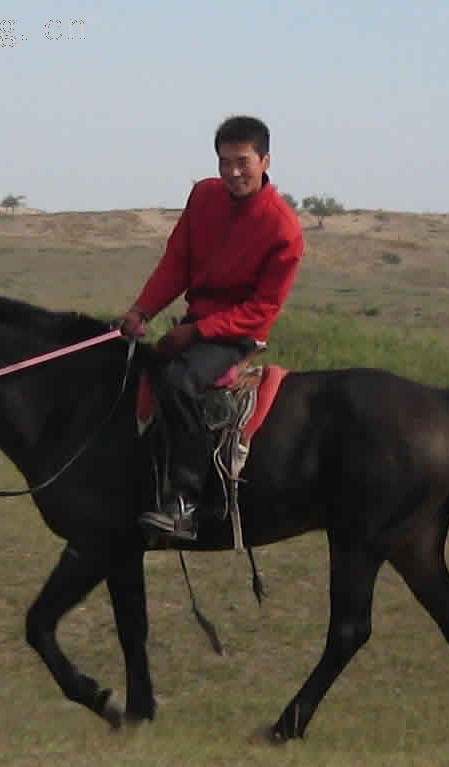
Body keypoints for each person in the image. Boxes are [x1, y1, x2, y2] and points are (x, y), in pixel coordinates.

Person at [117, 115, 305, 541]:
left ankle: (184, 500)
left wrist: (197, 333)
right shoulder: (204, 196)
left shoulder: (283, 228)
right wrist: (141, 311)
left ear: (265, 160)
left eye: (243, 162)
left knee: (180, 382)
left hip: (237, 333)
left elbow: (263, 309)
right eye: (225, 162)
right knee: (127, 366)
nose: (233, 172)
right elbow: (176, 263)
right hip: (196, 321)